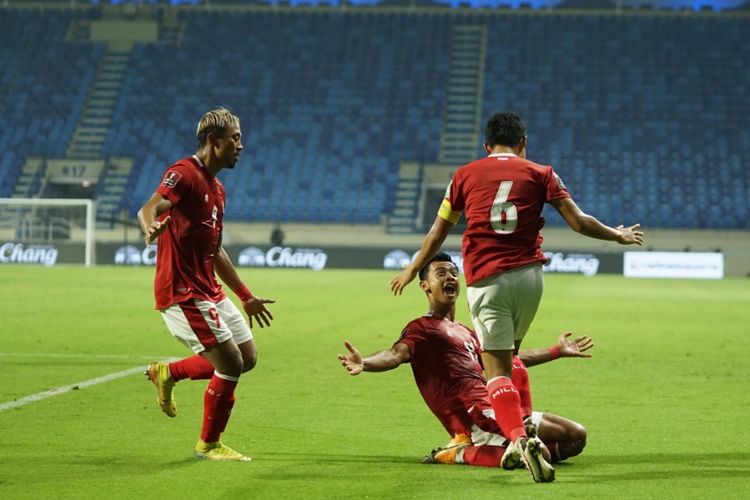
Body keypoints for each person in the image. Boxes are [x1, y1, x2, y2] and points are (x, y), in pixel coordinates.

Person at [390, 113, 643, 482]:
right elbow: (579, 221)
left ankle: (519, 441)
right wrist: (616, 235)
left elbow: (437, 232)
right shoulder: (542, 173)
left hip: (487, 277)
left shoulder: (464, 175)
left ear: (486, 146)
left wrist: (413, 269)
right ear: (523, 143)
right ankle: (520, 428)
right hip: (530, 278)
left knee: (495, 371)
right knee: (511, 360)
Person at [342, 253, 591, 481]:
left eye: (453, 272)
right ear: (424, 286)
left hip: (498, 405)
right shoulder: (422, 329)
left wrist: (556, 351)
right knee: (541, 455)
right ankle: (459, 452)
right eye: (440, 273)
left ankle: (508, 449)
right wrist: (365, 362)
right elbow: (394, 354)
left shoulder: (467, 331)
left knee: (576, 437)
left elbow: (505, 360)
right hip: (473, 416)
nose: (450, 277)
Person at [137, 107, 275, 462]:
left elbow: (215, 250)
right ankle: (208, 444)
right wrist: (150, 226)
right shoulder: (184, 174)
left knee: (247, 358)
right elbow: (150, 206)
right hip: (181, 292)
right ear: (214, 142)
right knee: (229, 363)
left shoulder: (218, 190)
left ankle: (167, 372)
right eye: (235, 138)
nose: (241, 145)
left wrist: (245, 296)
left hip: (207, 288)